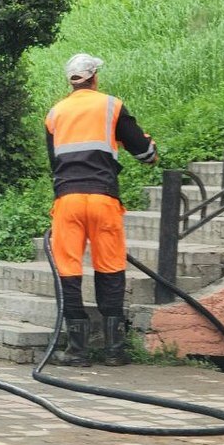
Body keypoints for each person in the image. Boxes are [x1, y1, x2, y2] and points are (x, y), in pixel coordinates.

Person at [44, 53, 158, 367]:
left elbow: (54, 164)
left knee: (68, 270)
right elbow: (144, 152)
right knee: (109, 269)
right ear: (94, 77)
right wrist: (151, 152)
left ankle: (77, 351)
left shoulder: (55, 114)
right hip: (103, 199)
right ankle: (114, 350)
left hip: (67, 201)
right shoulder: (111, 106)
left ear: (71, 81)